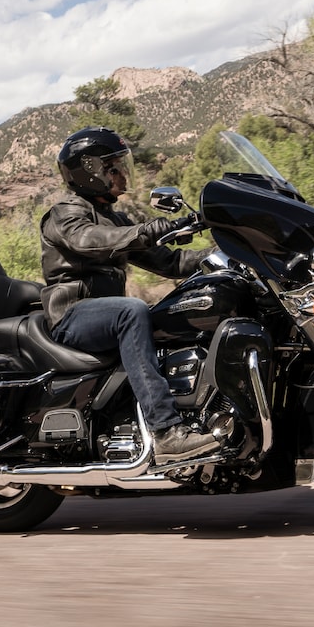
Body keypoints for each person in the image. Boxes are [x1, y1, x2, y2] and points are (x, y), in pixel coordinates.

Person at [40, 126, 218, 466]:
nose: (122, 173)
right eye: (113, 167)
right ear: (88, 172)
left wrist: (220, 254)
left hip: (102, 315)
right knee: (132, 311)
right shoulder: (65, 214)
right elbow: (90, 239)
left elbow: (172, 262)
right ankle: (166, 433)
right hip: (72, 315)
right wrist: (146, 231)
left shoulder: (113, 217)